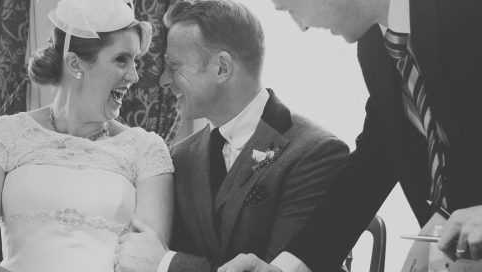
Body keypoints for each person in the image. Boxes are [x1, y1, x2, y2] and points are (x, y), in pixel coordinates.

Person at [218, 0, 482, 271]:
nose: (302, 26)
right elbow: (373, 163)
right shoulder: (375, 49)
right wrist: (287, 267)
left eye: (292, 8)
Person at [113, 0, 350, 271]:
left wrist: (166, 263)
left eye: (175, 66)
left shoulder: (316, 152)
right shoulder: (178, 157)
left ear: (222, 68)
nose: (164, 80)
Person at [0, 0, 174, 271]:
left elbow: (148, 263)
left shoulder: (147, 150)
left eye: (135, 61)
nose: (135, 75)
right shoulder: (2, 137)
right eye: (121, 59)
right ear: (74, 63)